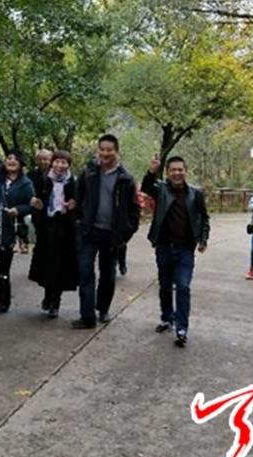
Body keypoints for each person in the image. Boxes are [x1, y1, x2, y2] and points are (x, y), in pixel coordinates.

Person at [72, 134, 141, 328]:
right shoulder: (88, 173)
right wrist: (78, 222)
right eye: (101, 149)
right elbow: (77, 199)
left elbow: (134, 210)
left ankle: (103, 309)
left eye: (109, 150)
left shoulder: (125, 179)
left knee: (108, 274)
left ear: (116, 151)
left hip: (112, 235)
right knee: (85, 273)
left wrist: (125, 233)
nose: (105, 153)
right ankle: (87, 317)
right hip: (89, 232)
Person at [142, 155, 210, 348]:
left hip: (185, 249)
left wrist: (203, 239)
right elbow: (146, 187)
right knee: (164, 286)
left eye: (180, 169)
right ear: (167, 172)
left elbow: (204, 217)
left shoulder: (195, 194)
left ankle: (182, 329)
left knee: (183, 286)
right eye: (173, 170)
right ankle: (166, 318)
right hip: (164, 247)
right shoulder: (161, 189)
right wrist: (152, 171)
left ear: (185, 171)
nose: (177, 173)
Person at [0, 122, 35, 313]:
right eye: (8, 158)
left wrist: (18, 210)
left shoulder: (26, 184)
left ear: (21, 164)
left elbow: (31, 205)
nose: (11, 161)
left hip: (7, 229)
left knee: (3, 269)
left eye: (15, 159)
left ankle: (3, 300)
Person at [28, 150, 79, 318]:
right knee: (47, 263)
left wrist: (74, 205)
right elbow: (32, 197)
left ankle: (55, 301)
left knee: (60, 266)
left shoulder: (73, 182)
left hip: (64, 227)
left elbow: (80, 201)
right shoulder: (44, 179)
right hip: (46, 226)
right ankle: (47, 294)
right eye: (57, 161)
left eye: (64, 162)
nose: (60, 165)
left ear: (68, 165)